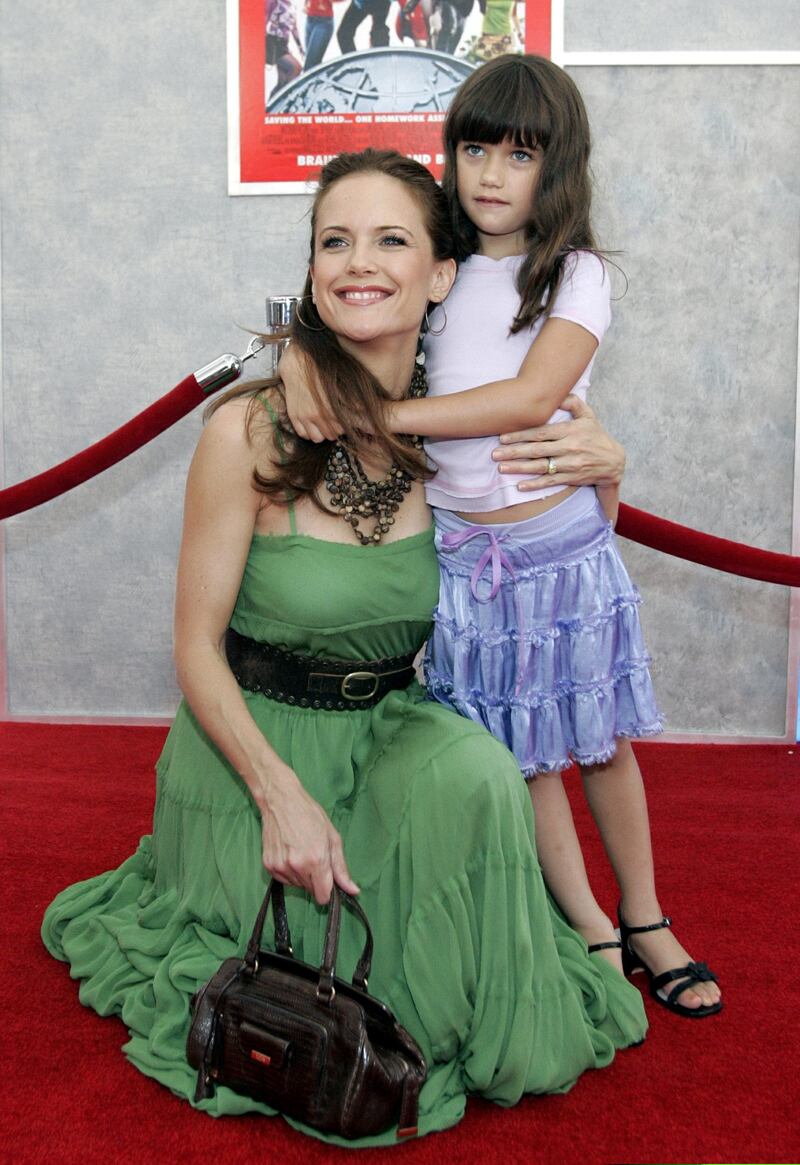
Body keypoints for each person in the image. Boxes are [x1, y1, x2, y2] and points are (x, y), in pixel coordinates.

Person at [42, 149, 647, 1148]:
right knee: (342, 956)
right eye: (334, 240)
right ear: (311, 266)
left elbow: (560, 555)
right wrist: (280, 797)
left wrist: (607, 465)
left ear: (441, 273)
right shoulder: (247, 428)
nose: (355, 263)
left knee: (481, 777)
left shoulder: (453, 434)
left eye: (390, 239)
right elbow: (193, 646)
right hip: (253, 742)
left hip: (384, 724)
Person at [283, 58, 722, 1020]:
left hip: (560, 552)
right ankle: (591, 926)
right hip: (464, 565)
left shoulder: (576, 272)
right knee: (523, 759)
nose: (489, 174)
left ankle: (646, 916)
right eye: (474, 148)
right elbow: (339, 305)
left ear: (555, 165)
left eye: (517, 154)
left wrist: (386, 415)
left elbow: (529, 396)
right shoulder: (438, 264)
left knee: (599, 744)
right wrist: (297, 356)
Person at [267, 0, 304, 100]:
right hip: (273, 43)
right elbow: (263, 21)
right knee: (296, 68)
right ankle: (285, 101)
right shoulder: (273, 2)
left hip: (283, 44)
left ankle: (269, 109)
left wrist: (300, 47)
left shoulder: (291, 6)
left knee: (282, 82)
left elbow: (294, 28)